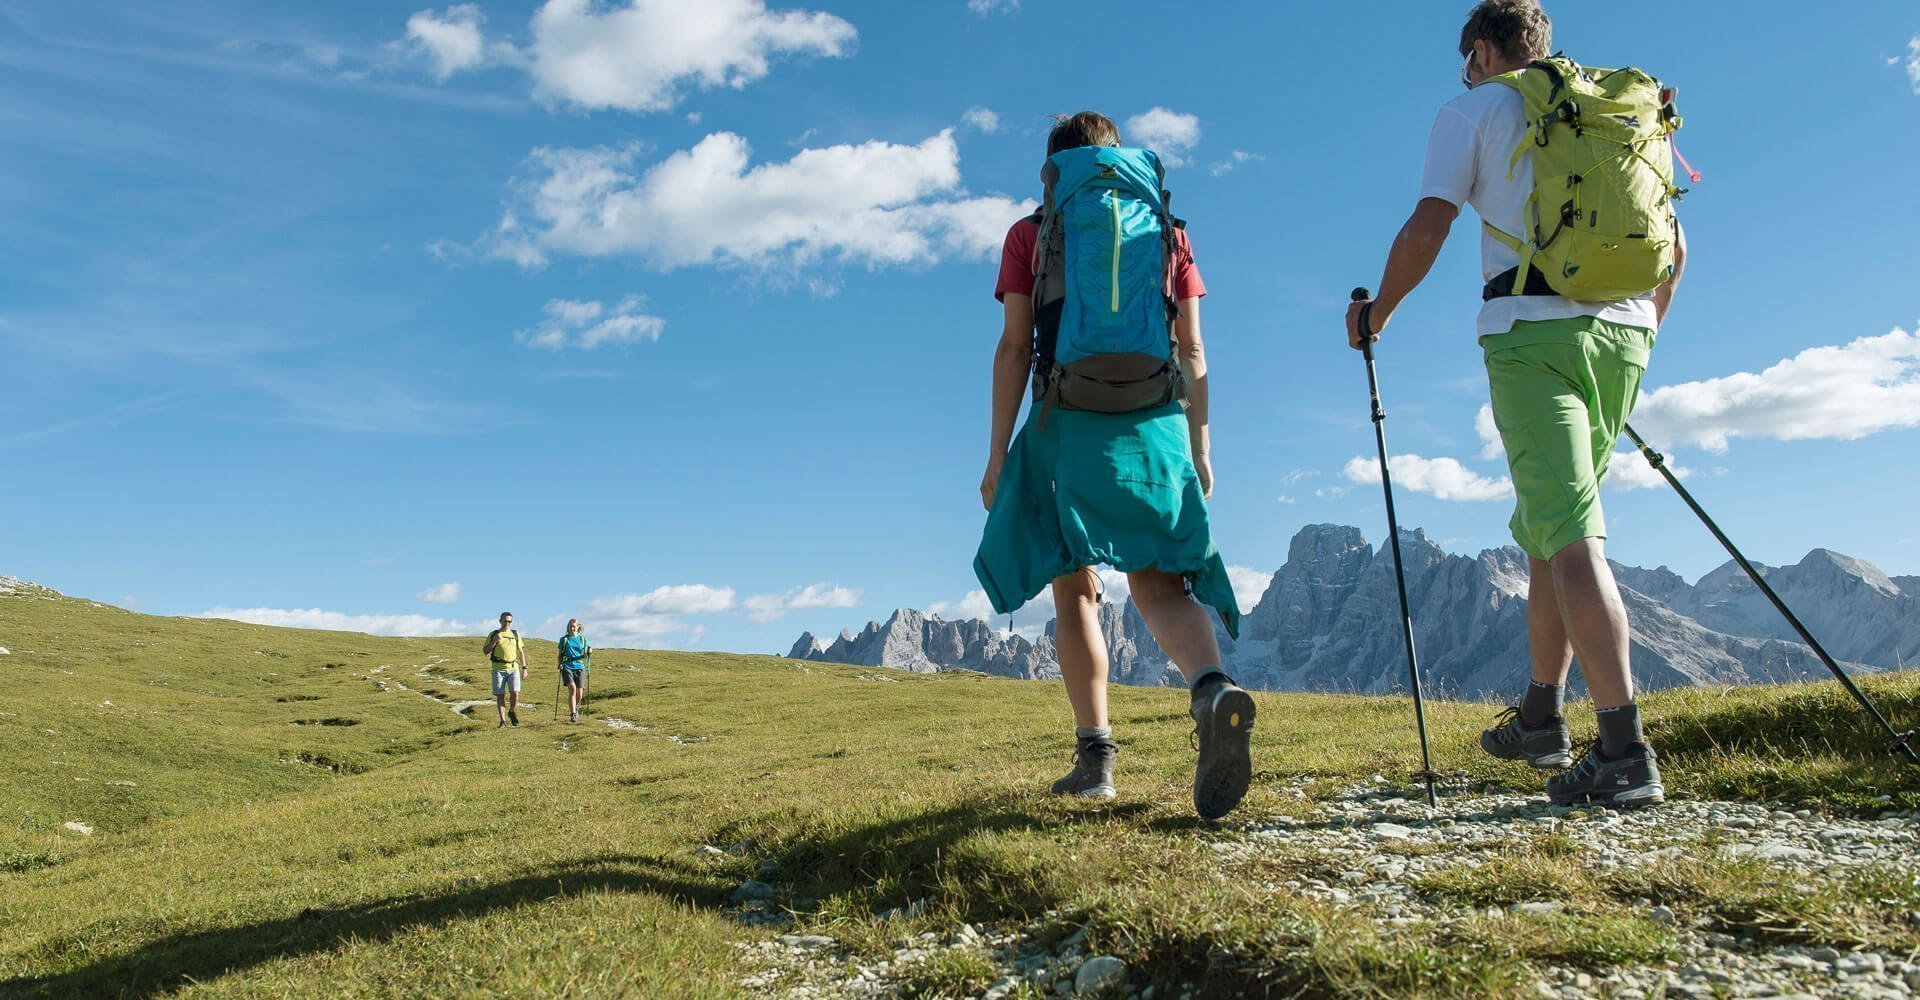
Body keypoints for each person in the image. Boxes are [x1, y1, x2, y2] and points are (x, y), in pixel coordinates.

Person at [1346, 0, 1686, 807]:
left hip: (1532, 330)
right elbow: (1674, 243)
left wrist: (1377, 316)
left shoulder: (1474, 109)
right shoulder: (1619, 111)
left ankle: (1623, 749)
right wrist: (1636, 332)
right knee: (1547, 523)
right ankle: (1541, 714)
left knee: (1568, 533)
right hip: (1628, 330)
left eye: (1466, 60)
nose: (1464, 73)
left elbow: (1429, 226)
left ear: (1486, 50)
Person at [975, 111, 1255, 821]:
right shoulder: (1169, 230)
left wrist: (995, 454)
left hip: (1067, 420)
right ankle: (1212, 688)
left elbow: (1013, 349)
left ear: (1053, 170)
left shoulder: (1031, 234)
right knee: (1160, 583)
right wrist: (1200, 449)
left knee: (1075, 589)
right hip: (1156, 419)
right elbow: (1193, 352)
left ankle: (1095, 760)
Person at [482, 611, 527, 728]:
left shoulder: (515, 634)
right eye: (505, 621)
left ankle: (511, 711)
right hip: (498, 668)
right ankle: (502, 721)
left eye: (509, 621)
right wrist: (495, 640)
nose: (507, 623)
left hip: (513, 668)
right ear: (500, 621)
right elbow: (485, 651)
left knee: (515, 693)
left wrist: (524, 668)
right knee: (500, 695)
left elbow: (520, 652)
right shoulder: (494, 634)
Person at [557, 618, 591, 724]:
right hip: (567, 666)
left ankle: (576, 708)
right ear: (568, 627)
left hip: (579, 666)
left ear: (578, 627)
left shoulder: (582, 639)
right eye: (570, 626)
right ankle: (573, 714)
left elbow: (585, 654)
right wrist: (559, 663)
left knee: (579, 694)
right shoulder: (564, 639)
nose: (572, 628)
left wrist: (589, 653)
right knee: (572, 688)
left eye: (574, 626)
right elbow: (560, 655)